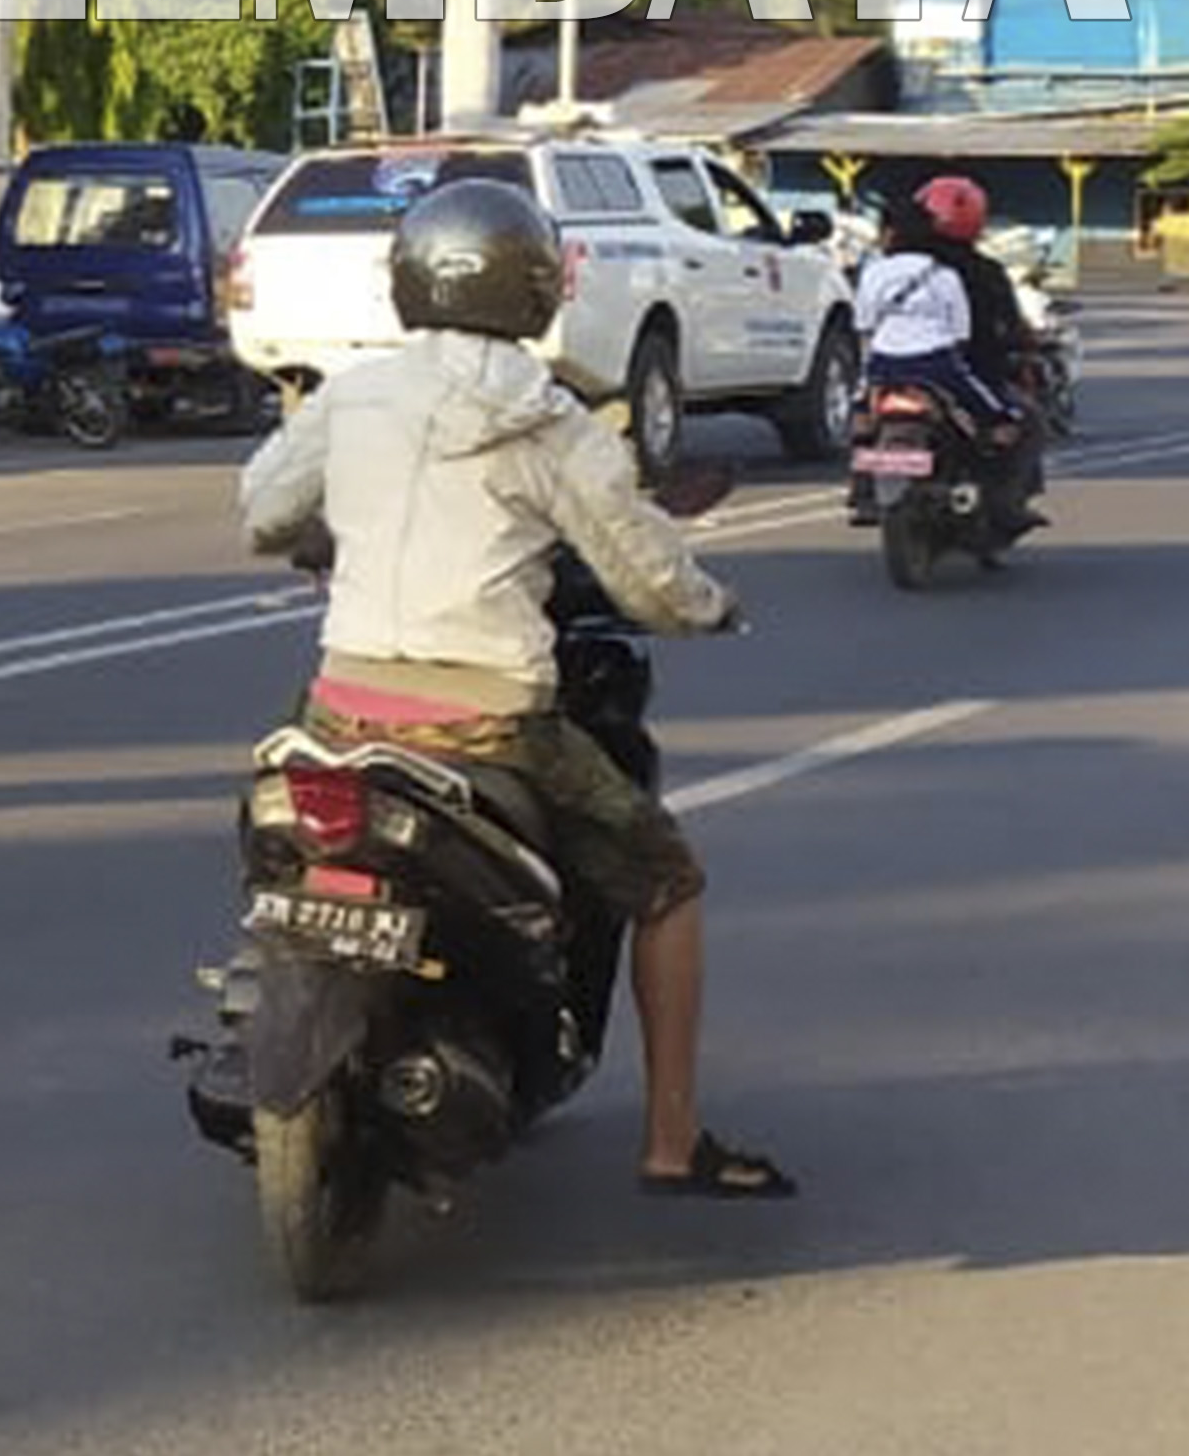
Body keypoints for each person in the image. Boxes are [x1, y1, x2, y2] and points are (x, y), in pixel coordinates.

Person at [235, 172, 787, 1198]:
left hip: (344, 709)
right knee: (668, 880)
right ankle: (673, 1141)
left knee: (279, 839)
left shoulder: (354, 394)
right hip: (490, 725)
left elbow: (262, 512)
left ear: (408, 281)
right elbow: (645, 575)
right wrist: (710, 605)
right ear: (535, 286)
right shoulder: (551, 421)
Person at [848, 173, 1043, 533]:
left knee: (861, 415)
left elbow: (863, 322)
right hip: (954, 369)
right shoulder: (978, 272)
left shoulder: (878, 270)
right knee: (1017, 421)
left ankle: (862, 489)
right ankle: (1005, 504)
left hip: (886, 368)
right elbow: (966, 331)